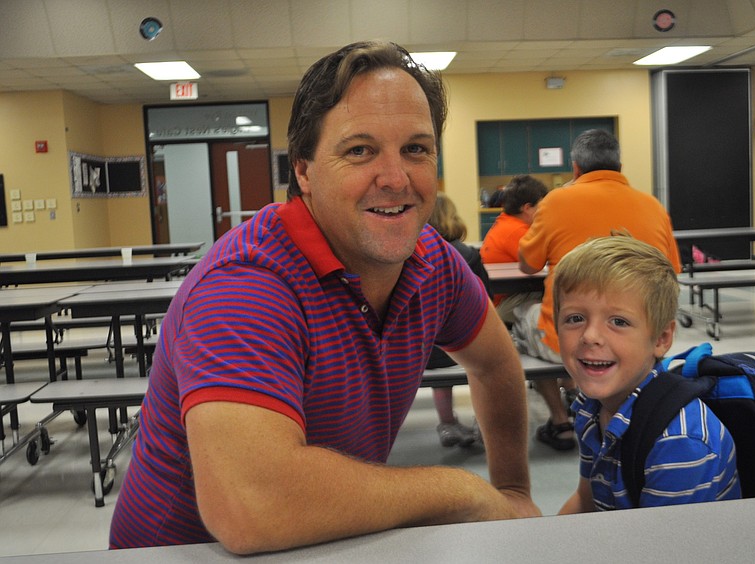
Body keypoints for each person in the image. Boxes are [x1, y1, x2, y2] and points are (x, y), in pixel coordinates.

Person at [109, 40, 539, 555]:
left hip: (330, 542)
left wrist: (513, 491)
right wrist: (465, 493)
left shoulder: (433, 261)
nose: (395, 178)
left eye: (416, 149)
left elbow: (495, 364)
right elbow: (251, 506)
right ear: (305, 171)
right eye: (359, 150)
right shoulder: (246, 287)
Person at [517, 129, 681, 451]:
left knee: (525, 320)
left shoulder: (556, 201)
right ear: (619, 166)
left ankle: (559, 419)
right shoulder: (652, 206)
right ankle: (585, 392)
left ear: (576, 168)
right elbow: (671, 273)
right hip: (639, 340)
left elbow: (528, 265)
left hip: (568, 339)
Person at [552, 235, 741, 511]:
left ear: (661, 339)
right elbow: (585, 499)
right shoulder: (587, 408)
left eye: (618, 321)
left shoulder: (678, 442)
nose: (590, 336)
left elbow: (659, 549)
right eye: (575, 318)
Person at [426, 192, 491, 447]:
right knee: (482, 364)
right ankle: (483, 423)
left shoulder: (408, 256)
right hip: (465, 345)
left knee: (440, 355)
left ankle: (447, 423)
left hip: (424, 350)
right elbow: (488, 300)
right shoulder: (470, 256)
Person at [479, 174, 549, 324]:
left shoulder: (506, 223)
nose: (545, 211)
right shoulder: (517, 232)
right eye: (542, 206)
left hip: (497, 299)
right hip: (504, 304)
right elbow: (543, 262)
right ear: (528, 208)